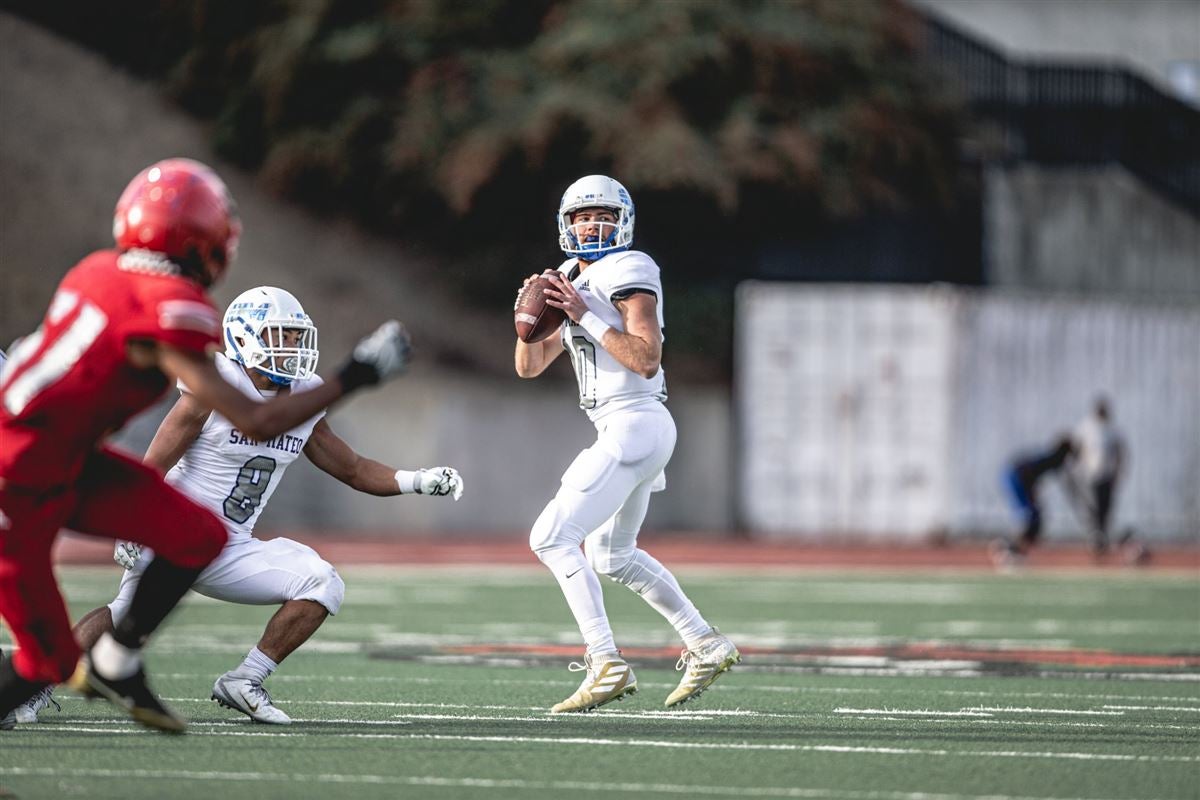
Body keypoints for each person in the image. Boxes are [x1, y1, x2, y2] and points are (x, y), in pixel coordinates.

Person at [0, 158, 409, 733]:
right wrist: (355, 376)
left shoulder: (94, 271)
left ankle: (117, 658)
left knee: (198, 534)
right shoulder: (174, 307)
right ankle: (92, 663)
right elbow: (255, 420)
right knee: (43, 662)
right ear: (206, 244)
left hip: (57, 455)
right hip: (20, 475)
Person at [12, 286, 464, 726]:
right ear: (246, 339)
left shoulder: (304, 398)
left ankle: (245, 680)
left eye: (294, 336)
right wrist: (134, 526)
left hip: (231, 545)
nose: (291, 347)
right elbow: (153, 464)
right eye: (280, 336)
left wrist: (417, 481)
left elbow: (352, 468)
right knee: (121, 615)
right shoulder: (214, 387)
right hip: (175, 530)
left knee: (322, 582)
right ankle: (32, 689)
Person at [514, 175, 739, 713]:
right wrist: (524, 322)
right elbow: (529, 366)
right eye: (581, 216)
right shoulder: (567, 276)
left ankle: (605, 662)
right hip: (623, 426)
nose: (592, 224)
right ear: (565, 224)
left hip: (636, 419)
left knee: (550, 537)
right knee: (612, 554)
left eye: (603, 215)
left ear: (624, 221)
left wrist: (582, 314)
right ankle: (705, 643)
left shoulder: (631, 267)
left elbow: (645, 358)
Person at [991, 434, 1076, 567]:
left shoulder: (1051, 458)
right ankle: (1008, 548)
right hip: (1015, 478)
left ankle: (1014, 548)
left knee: (1034, 517)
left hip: (1014, 477)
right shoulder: (1051, 459)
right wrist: (1031, 494)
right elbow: (1027, 472)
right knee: (1031, 517)